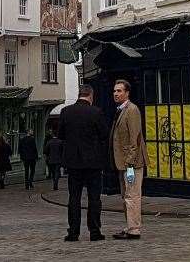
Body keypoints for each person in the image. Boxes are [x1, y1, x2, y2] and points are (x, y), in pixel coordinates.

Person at [58, 84, 110, 242]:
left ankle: (73, 232)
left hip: (73, 162)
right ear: (91, 95)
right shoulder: (96, 112)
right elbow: (104, 135)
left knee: (74, 198)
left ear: (79, 94)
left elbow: (61, 135)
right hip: (93, 162)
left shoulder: (66, 112)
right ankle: (94, 231)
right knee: (94, 198)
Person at [111, 79, 146, 240]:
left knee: (132, 196)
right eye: (115, 91)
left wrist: (130, 162)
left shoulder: (132, 110)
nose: (116, 94)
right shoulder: (121, 110)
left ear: (127, 93)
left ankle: (134, 229)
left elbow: (135, 138)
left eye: (119, 91)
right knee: (126, 196)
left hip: (131, 163)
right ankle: (130, 226)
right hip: (123, 162)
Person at [44, 127, 65, 191]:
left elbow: (46, 151)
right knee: (56, 172)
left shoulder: (49, 142)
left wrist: (47, 157)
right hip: (58, 159)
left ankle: (54, 182)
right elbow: (63, 151)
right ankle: (56, 183)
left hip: (51, 159)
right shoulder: (60, 142)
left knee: (53, 172)